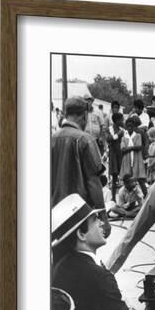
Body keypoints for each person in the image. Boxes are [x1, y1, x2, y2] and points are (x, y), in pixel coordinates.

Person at [51, 96, 111, 237]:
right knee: (81, 255)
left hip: (54, 213)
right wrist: (104, 217)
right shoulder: (85, 139)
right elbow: (93, 181)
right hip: (79, 214)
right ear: (84, 115)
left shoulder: (51, 139)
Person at [120, 115, 148, 197]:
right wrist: (133, 147)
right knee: (128, 180)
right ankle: (129, 198)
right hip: (127, 160)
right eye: (128, 126)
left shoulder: (138, 135)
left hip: (136, 159)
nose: (129, 128)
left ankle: (146, 196)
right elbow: (122, 149)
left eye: (131, 126)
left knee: (140, 179)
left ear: (134, 126)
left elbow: (139, 146)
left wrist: (128, 148)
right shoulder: (124, 137)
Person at [106, 112, 125, 201]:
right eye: (121, 120)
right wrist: (118, 135)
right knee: (114, 177)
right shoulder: (110, 129)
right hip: (113, 154)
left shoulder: (122, 129)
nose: (122, 121)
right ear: (117, 120)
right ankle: (113, 198)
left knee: (124, 176)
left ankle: (124, 198)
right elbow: (109, 139)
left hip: (121, 154)